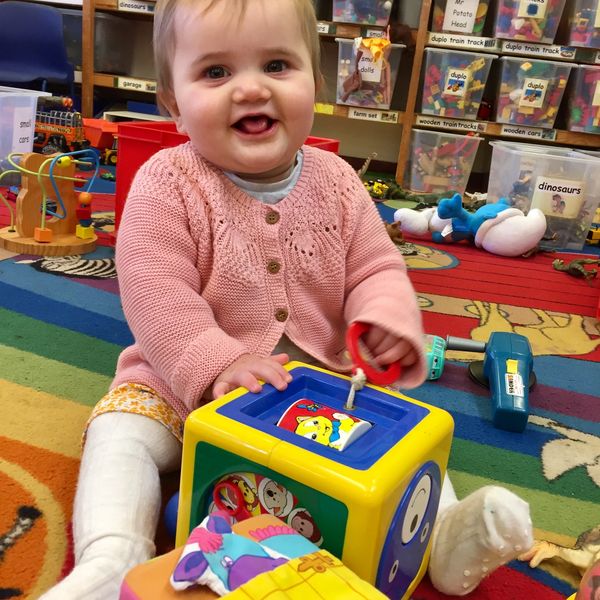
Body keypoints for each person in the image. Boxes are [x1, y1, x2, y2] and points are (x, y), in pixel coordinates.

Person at [40, 0, 533, 598]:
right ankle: (114, 552)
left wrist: (384, 323)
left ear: (315, 83)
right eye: (216, 73)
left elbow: (376, 266)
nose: (250, 89)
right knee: (122, 432)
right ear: (172, 102)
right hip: (180, 384)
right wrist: (217, 363)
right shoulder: (167, 183)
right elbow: (155, 291)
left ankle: (445, 539)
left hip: (327, 388)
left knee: (401, 442)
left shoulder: (338, 180)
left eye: (277, 64)